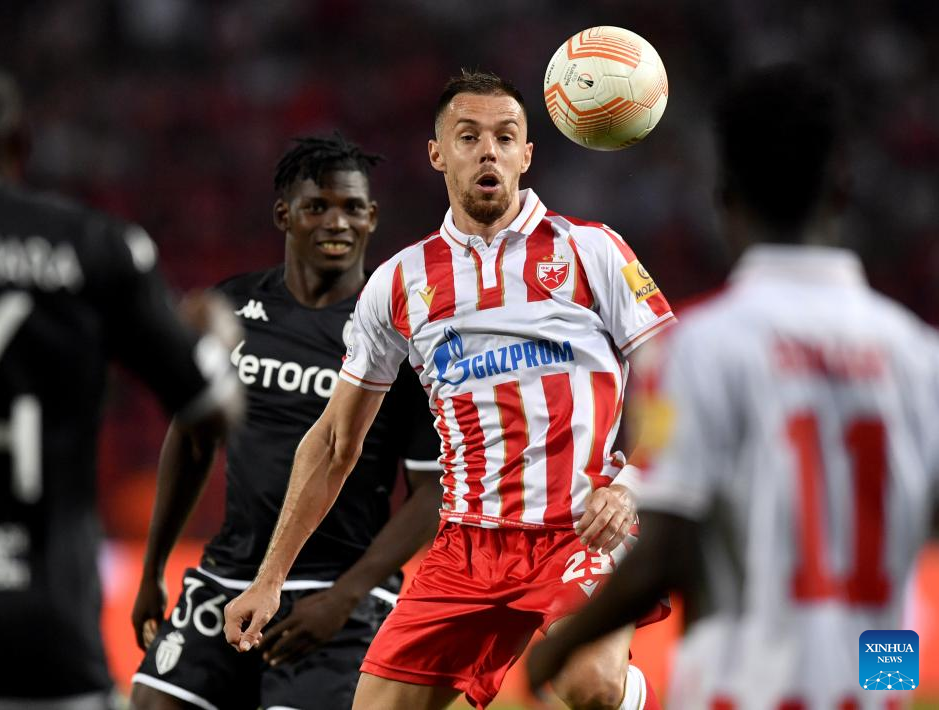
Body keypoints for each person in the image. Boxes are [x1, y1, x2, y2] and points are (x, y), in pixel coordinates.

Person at [224, 70, 675, 710]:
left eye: (504, 136)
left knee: (588, 684)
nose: (487, 150)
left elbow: (676, 386)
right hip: (466, 546)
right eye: (468, 136)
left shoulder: (590, 250)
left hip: (580, 528)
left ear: (526, 154)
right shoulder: (399, 281)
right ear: (439, 154)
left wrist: (631, 491)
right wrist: (270, 581)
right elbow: (333, 442)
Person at [526, 65, 939, 709]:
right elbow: (912, 538)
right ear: (844, 188)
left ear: (725, 198)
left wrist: (556, 649)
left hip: (742, 689)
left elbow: (665, 546)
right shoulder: (917, 357)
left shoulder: (695, 349)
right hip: (875, 683)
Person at [0, 50, 241, 709]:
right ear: (17, 145)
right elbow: (212, 407)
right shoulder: (94, 247)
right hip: (49, 641)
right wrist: (215, 334)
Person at [130, 134, 444, 710]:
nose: (337, 222)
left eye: (353, 208)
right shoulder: (232, 309)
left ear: (372, 217)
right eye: (317, 206)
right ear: (284, 214)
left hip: (338, 590)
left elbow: (433, 492)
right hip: (228, 578)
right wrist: (152, 569)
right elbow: (192, 441)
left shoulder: (401, 335)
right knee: (152, 703)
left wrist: (347, 596)